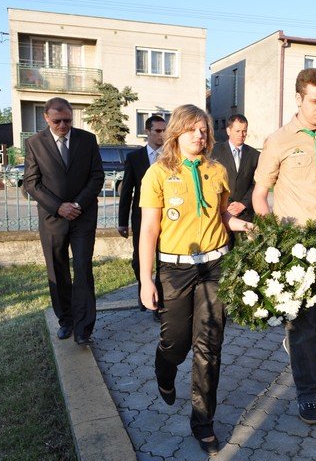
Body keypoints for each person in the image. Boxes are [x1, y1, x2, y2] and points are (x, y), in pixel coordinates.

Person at [138, 104, 252, 456]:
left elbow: (222, 216)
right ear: (176, 132)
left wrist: (244, 225)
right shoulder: (158, 174)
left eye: (203, 130)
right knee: (176, 343)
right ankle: (165, 369)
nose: (199, 135)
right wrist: (146, 280)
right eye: (192, 129)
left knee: (209, 348)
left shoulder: (217, 171)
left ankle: (203, 423)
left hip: (216, 265)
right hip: (175, 270)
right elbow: (149, 230)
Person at [252, 68, 316, 426]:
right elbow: (260, 195)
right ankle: (308, 395)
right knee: (304, 322)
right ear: (298, 98)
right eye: (314, 100)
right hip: (296, 243)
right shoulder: (278, 140)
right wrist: (274, 239)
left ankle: (297, 344)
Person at [23, 97, 104, 346]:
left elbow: (97, 176)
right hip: (52, 219)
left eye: (67, 120)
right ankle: (66, 320)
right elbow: (31, 183)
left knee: (82, 268)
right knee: (57, 271)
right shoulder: (35, 143)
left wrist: (77, 204)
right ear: (46, 118)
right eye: (57, 121)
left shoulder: (87, 140)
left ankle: (83, 328)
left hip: (83, 216)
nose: (62, 126)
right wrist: (59, 207)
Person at [117, 115, 166, 319]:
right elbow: (127, 191)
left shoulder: (172, 157)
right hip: (141, 219)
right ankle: (143, 289)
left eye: (165, 131)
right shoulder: (134, 158)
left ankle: (159, 303)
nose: (162, 135)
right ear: (147, 131)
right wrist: (122, 222)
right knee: (140, 259)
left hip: (167, 218)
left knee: (163, 260)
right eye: (158, 131)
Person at [211, 114, 259, 223]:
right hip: (220, 213)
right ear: (228, 131)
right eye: (237, 131)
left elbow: (257, 183)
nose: (241, 135)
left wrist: (243, 204)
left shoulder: (255, 155)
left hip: (245, 215)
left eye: (244, 131)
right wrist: (225, 204)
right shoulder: (214, 152)